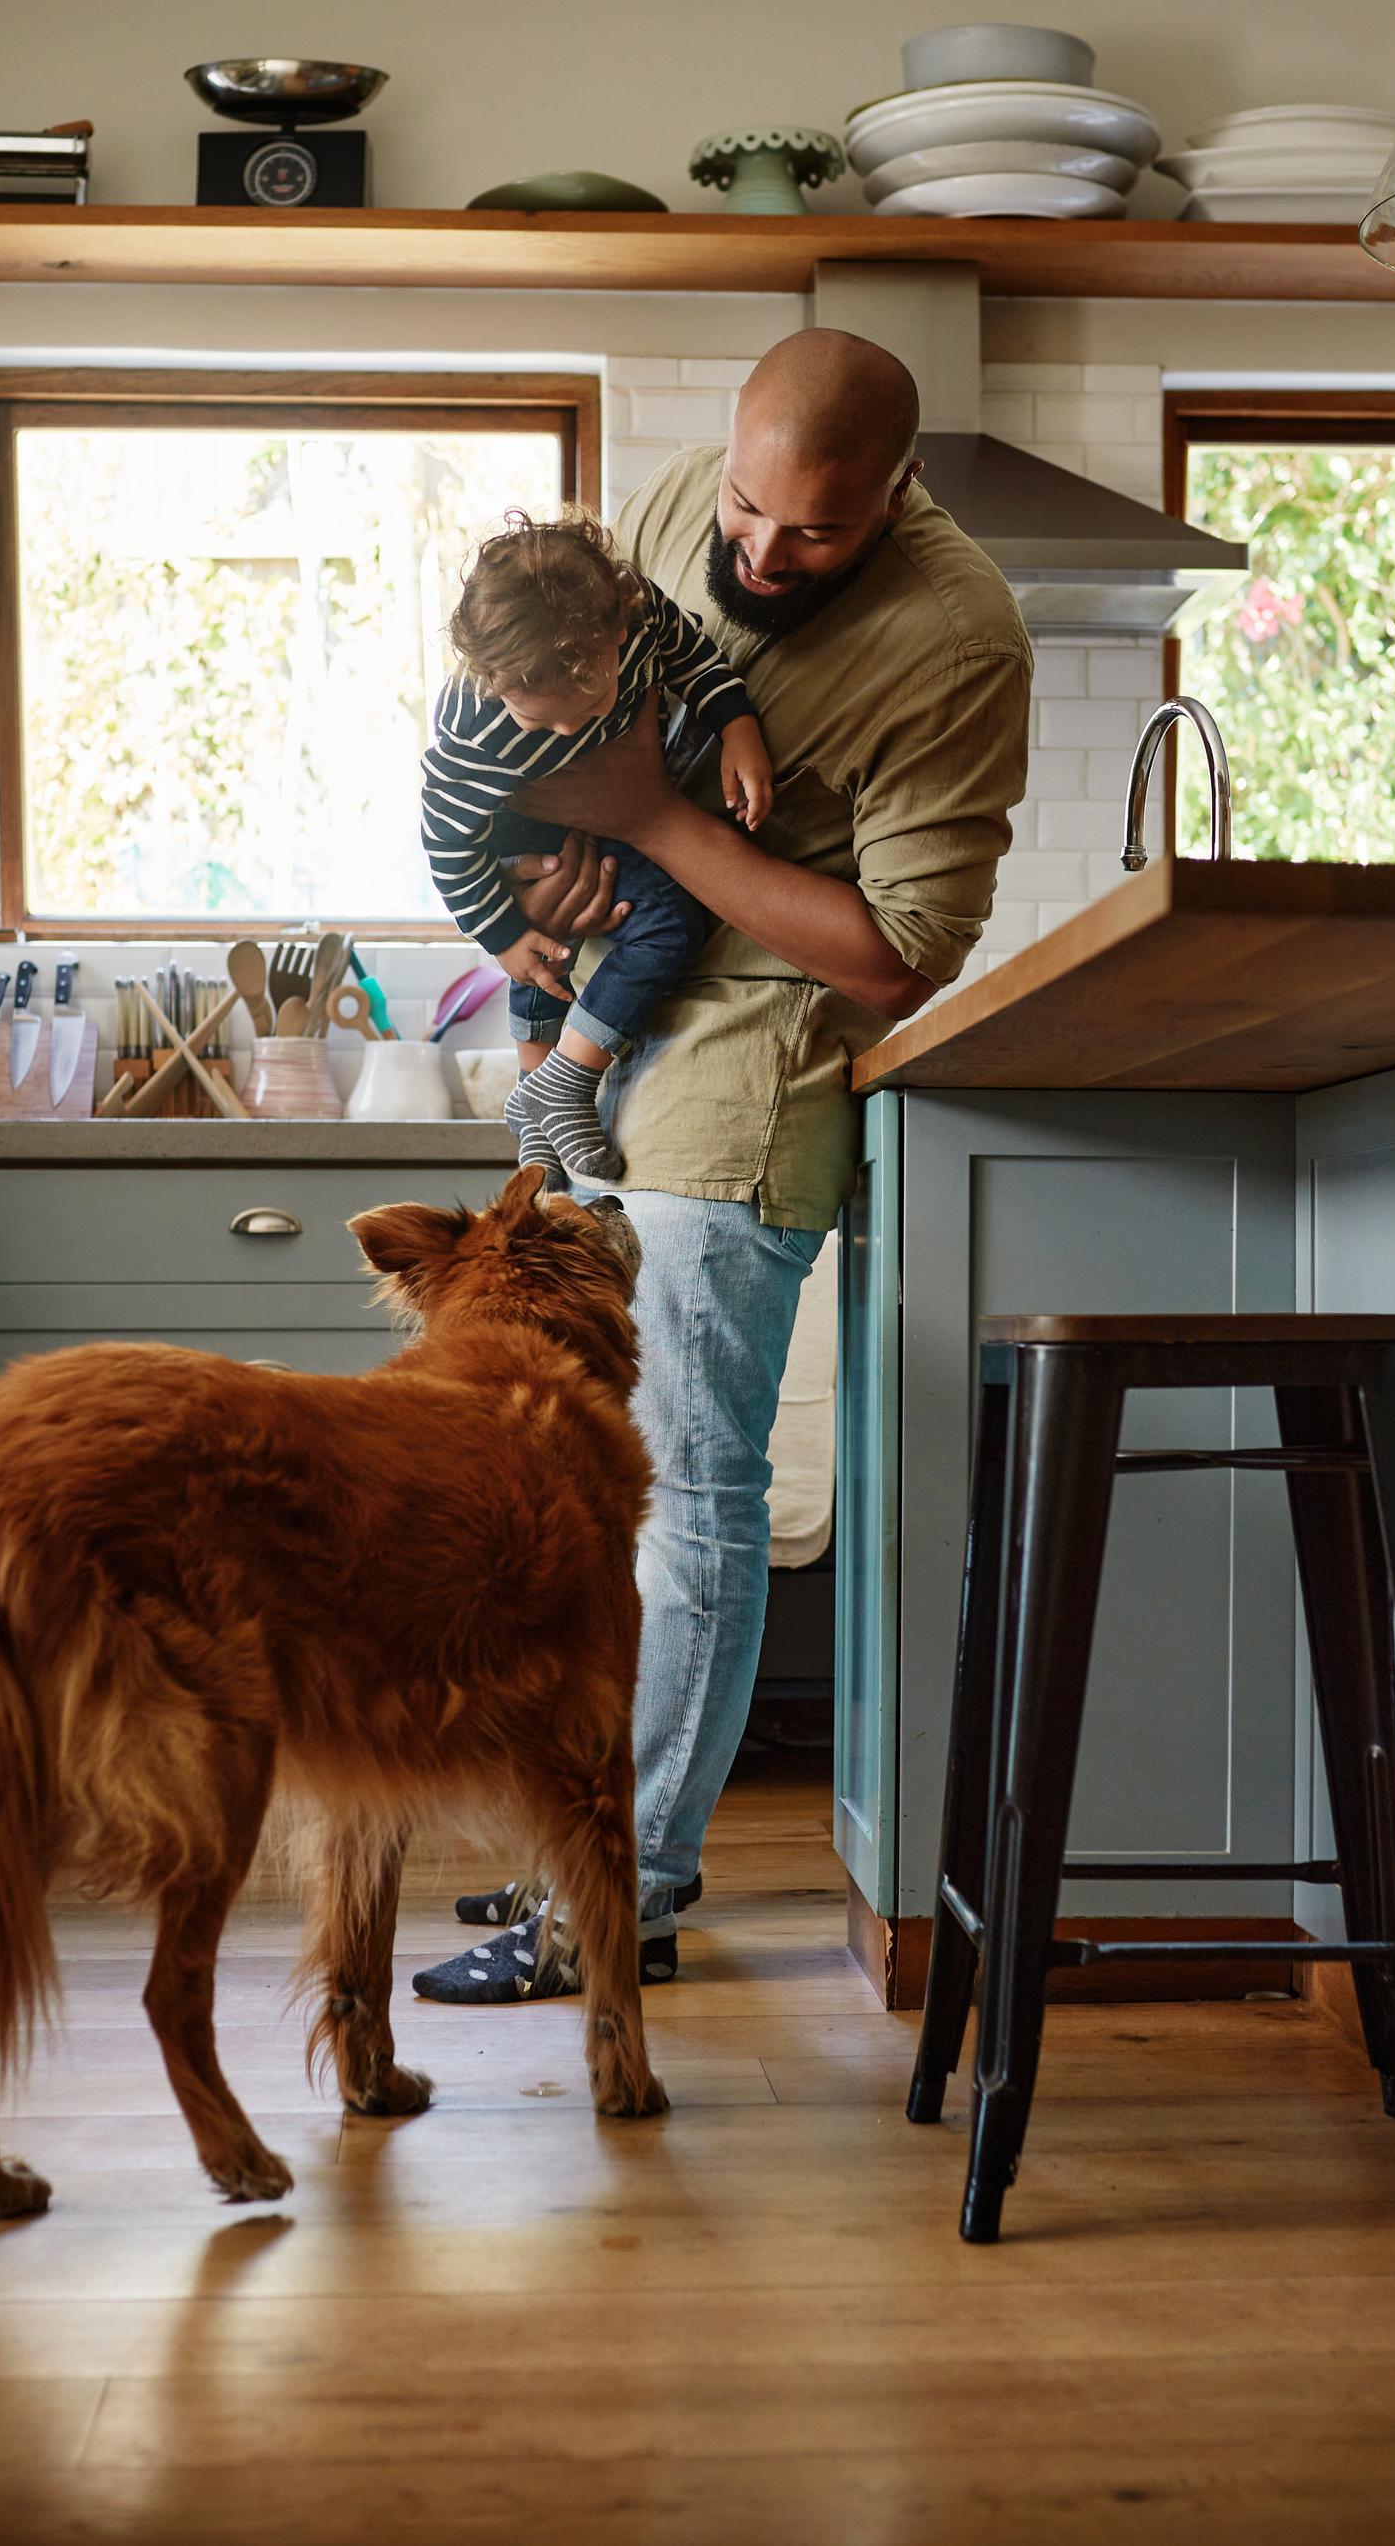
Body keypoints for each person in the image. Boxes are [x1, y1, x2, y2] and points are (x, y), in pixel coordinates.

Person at [412, 328, 1030, 2006]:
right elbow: (547, 742)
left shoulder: (960, 637)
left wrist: (655, 822)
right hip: (623, 1036)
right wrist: (536, 902)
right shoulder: (687, 502)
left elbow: (901, 957)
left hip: (744, 1083)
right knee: (602, 1499)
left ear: (898, 492)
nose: (758, 556)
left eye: (812, 537)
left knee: (691, 1505)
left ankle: (636, 1893)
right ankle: (591, 1856)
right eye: (748, 513)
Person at [421, 508, 775, 1181]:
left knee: (671, 924)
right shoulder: (475, 730)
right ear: (491, 678)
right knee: (541, 950)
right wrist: (501, 935)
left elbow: (695, 659)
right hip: (516, 832)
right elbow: (444, 840)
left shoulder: (640, 617)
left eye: (585, 708)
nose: (561, 735)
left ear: (619, 628)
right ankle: (541, 1100)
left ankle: (557, 1085)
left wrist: (737, 725)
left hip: (613, 812)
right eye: (536, 718)